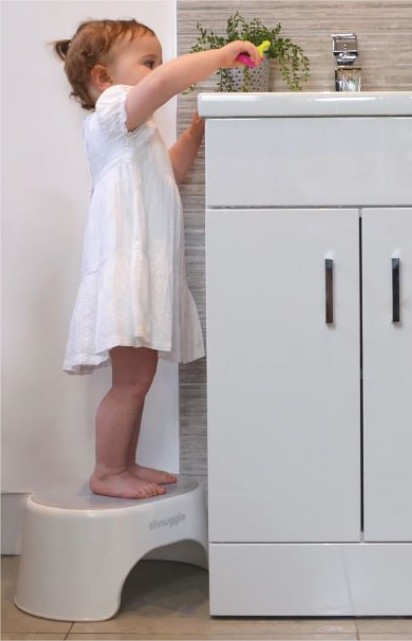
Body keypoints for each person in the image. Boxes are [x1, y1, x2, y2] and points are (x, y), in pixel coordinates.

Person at [54, 19, 261, 499]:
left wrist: (195, 134)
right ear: (104, 77)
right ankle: (107, 471)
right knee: (129, 382)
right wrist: (220, 57)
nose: (159, 70)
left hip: (144, 272)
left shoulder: (135, 132)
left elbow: (170, 171)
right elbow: (167, 83)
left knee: (138, 379)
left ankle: (123, 464)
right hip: (126, 271)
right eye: (149, 62)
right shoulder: (111, 111)